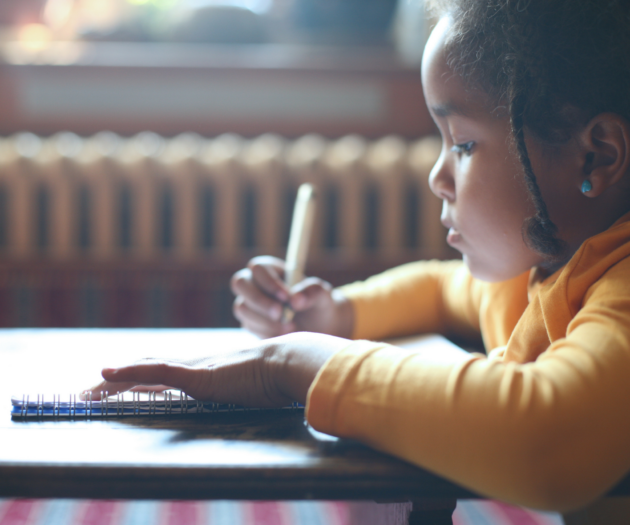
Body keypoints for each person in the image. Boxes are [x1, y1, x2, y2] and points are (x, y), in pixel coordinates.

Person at [87, 0, 630, 518]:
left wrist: (294, 363)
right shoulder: (548, 271)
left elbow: (548, 438)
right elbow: (442, 290)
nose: (436, 177)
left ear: (597, 154)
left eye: (463, 144)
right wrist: (335, 313)